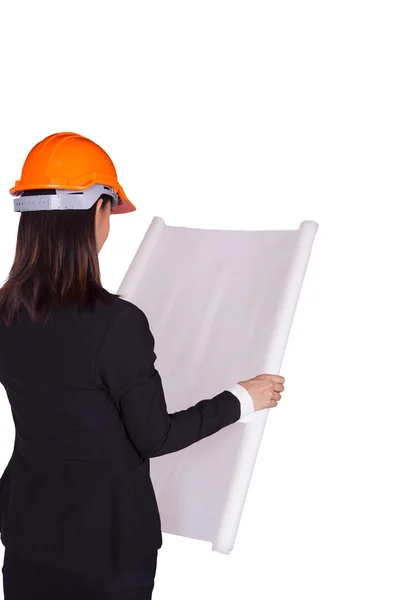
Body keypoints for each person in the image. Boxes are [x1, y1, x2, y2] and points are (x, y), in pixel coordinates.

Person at [0, 132, 285, 600]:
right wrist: (240, 400)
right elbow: (155, 436)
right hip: (107, 549)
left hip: (28, 533)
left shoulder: (5, 314)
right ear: (98, 209)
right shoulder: (116, 324)